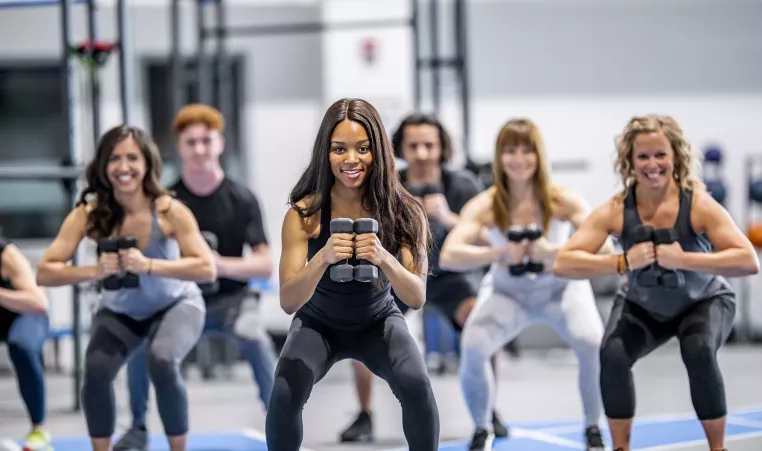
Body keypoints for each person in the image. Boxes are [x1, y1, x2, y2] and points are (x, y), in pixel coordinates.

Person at [553, 114, 759, 451]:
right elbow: (564, 262)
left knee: (699, 350)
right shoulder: (617, 209)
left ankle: (718, 448)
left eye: (660, 154)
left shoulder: (698, 204)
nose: (652, 164)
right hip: (643, 304)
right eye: (643, 156)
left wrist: (685, 260)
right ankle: (620, 447)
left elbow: (747, 260)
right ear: (630, 162)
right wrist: (621, 261)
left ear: (675, 156)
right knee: (613, 355)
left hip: (703, 301)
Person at [266, 98, 439, 451]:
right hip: (318, 325)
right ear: (325, 154)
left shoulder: (405, 212)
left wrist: (385, 258)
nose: (351, 160)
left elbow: (416, 297)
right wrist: (323, 258)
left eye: (362, 149)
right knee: (285, 392)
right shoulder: (304, 215)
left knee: (416, 385)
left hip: (378, 321)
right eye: (339, 149)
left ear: (378, 151)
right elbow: (288, 301)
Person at [36, 125, 216, 451]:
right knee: (95, 370)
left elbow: (206, 268)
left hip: (174, 305)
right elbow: (45, 273)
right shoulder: (89, 214)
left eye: (132, 158)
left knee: (161, 360)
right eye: (115, 159)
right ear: (104, 166)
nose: (124, 167)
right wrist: (94, 270)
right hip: (121, 311)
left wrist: (148, 265)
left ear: (147, 164)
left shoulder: (169, 210)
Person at [439, 118, 611, 451]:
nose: (519, 159)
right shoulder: (487, 204)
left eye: (526, 150)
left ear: (539, 155)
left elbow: (604, 248)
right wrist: (501, 252)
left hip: (560, 289)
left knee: (591, 342)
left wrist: (553, 251)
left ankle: (593, 427)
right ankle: (481, 428)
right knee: (473, 346)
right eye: (510, 151)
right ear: (500, 157)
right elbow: (449, 255)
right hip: (508, 292)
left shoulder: (563, 199)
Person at [114, 104, 278, 451]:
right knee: (142, 344)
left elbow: (264, 264)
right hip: (182, 303)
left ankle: (279, 423)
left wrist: (216, 264)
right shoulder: (166, 202)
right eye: (192, 142)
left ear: (220, 143)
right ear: (180, 147)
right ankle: (138, 428)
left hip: (234, 302)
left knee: (255, 338)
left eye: (207, 140)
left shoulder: (242, 199)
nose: (200, 149)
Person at [339, 113, 510, 443]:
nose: (421, 153)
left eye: (428, 145)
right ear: (400, 147)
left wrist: (448, 217)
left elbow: (491, 240)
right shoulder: (386, 185)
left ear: (441, 147)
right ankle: (364, 414)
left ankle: (488, 409)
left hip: (450, 278)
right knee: (359, 325)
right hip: (398, 275)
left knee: (481, 323)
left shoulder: (462, 185)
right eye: (413, 145)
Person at [0, 240, 52, 451]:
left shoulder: (7, 255)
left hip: (24, 315)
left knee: (21, 346)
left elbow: (38, 303)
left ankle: (39, 429)